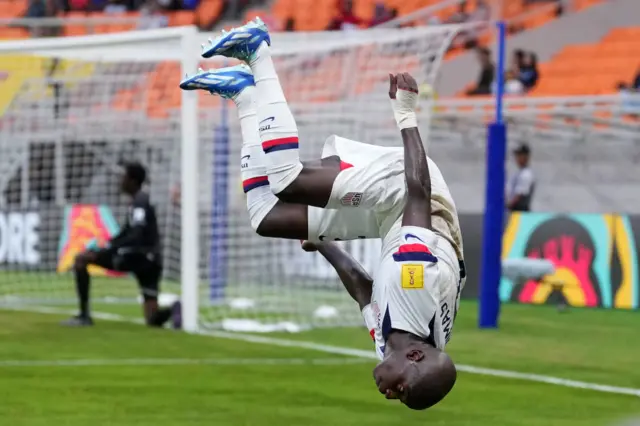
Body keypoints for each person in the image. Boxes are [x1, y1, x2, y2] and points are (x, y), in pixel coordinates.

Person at [183, 18, 463, 409]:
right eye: (402, 389)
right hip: (411, 189)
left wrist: (324, 243)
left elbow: (362, 287)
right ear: (415, 358)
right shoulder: (414, 287)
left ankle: (245, 97)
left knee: (266, 216)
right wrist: (406, 114)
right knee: (288, 180)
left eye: (398, 397)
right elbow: (418, 195)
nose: (389, 393)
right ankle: (258, 50)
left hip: (391, 221)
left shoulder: (394, 345)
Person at [62, 162, 177, 327]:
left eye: (124, 177)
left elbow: (137, 233)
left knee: (81, 260)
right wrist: (108, 244)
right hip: (151, 261)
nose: (120, 181)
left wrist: (110, 248)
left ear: (133, 181)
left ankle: (84, 316)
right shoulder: (139, 201)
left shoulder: (140, 202)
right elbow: (128, 232)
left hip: (139, 258)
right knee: (152, 319)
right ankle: (176, 310)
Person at [507, 143, 535, 212]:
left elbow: (519, 195)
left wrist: (507, 205)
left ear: (526, 157)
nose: (517, 158)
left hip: (520, 212)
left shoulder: (526, 174)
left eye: (520, 155)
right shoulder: (519, 173)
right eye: (517, 155)